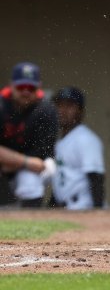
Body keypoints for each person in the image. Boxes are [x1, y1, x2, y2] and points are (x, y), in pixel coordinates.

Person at [0, 63, 58, 207]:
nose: (26, 92)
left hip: (34, 166)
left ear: (39, 87)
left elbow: (42, 156)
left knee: (29, 182)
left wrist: (12, 163)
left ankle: (32, 221)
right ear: (11, 85)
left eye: (31, 88)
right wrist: (23, 162)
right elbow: (30, 162)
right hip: (17, 164)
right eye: (21, 87)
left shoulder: (46, 110)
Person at [50, 87, 105, 210]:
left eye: (69, 106)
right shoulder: (61, 141)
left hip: (84, 207)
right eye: (59, 105)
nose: (63, 111)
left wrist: (98, 213)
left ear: (80, 111)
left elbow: (96, 178)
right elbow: (61, 178)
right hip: (67, 208)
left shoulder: (85, 138)